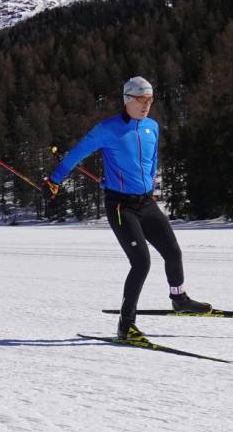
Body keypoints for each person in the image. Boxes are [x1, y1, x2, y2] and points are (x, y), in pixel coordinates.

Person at [43, 76, 211, 341]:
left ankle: (179, 298)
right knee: (141, 262)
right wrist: (54, 180)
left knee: (173, 251)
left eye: (150, 100)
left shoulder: (152, 127)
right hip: (121, 206)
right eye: (141, 100)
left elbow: (152, 160)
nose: (146, 105)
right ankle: (126, 325)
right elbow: (77, 153)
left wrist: (149, 186)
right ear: (127, 99)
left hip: (145, 202)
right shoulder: (107, 129)